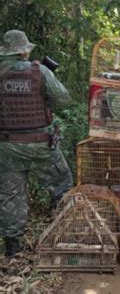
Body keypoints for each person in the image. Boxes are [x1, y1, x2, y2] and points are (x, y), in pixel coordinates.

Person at [0, 30, 73, 257]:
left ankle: (13, 248)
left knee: (11, 195)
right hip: (41, 145)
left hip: (8, 146)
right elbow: (64, 100)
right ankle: (65, 236)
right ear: (23, 51)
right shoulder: (39, 71)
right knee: (62, 184)